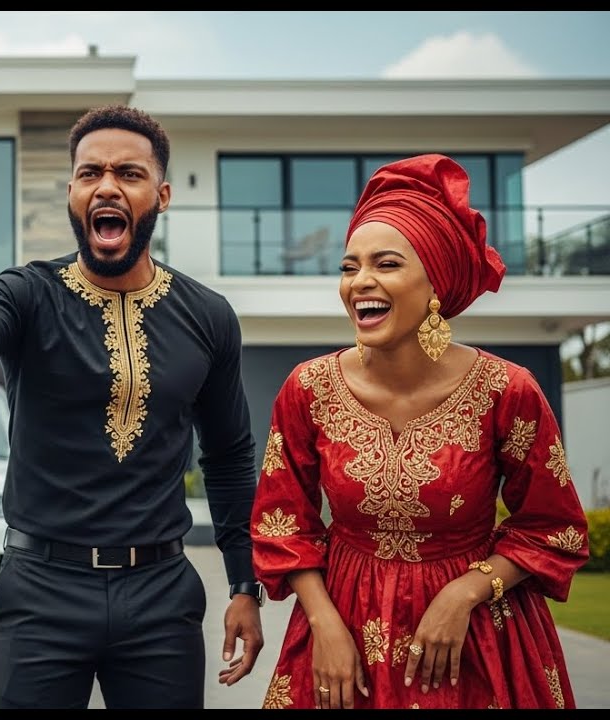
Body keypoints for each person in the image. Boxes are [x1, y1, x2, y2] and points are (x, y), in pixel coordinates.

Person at [0, 104, 265, 709]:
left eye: (129, 173)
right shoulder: (27, 293)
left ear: (162, 194)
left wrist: (244, 583)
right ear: (72, 193)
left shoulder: (208, 316)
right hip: (41, 593)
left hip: (162, 595)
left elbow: (229, 455)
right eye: (90, 173)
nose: (107, 185)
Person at [250, 154, 589, 710]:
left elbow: (552, 527)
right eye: (348, 266)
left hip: (476, 640)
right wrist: (324, 625)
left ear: (435, 282)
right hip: (343, 630)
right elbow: (282, 523)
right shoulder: (306, 389)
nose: (361, 282)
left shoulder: (509, 390)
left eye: (385, 264)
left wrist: (467, 592)